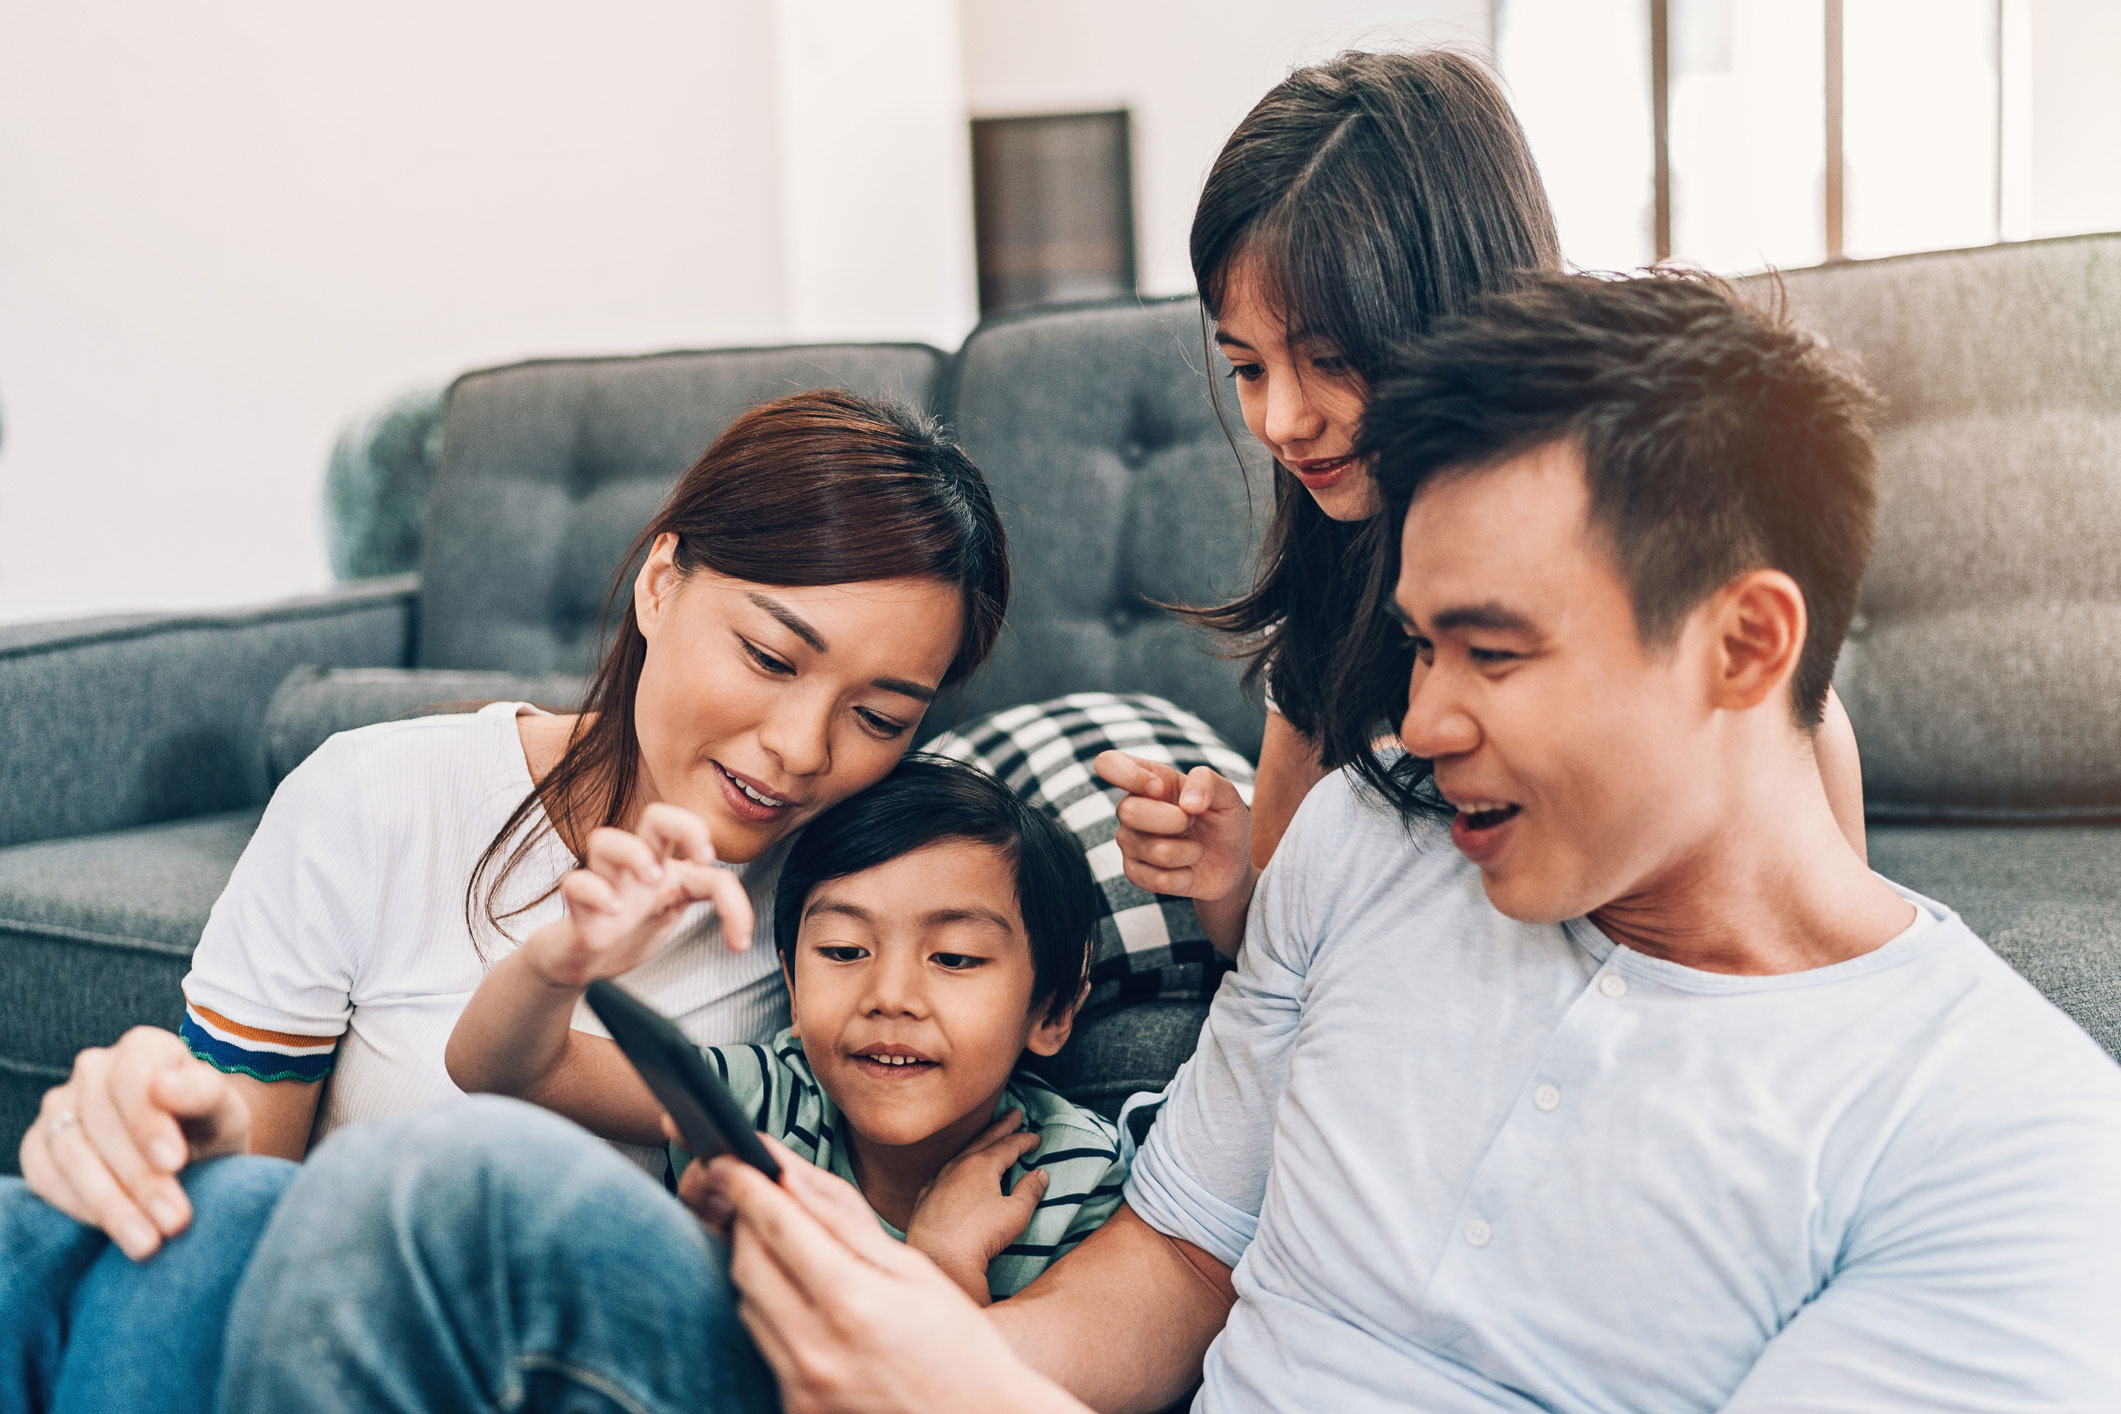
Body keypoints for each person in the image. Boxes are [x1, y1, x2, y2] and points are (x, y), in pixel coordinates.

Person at [215, 273, 2121, 1412]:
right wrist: (930, 1336)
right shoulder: (1371, 867)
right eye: (1418, 639)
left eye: (1492, 651)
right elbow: (1173, 1267)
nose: (1420, 714)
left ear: (1748, 643)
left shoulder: (2012, 1145)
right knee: (429, 1198)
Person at [0, 388, 1009, 1413]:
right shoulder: (375, 797)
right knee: (33, 1235)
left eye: (879, 717)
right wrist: (171, 1128)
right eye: (769, 657)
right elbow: (243, 1200)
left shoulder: (858, 921)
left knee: (455, 1169)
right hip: (328, 1354)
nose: (800, 748)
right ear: (661, 584)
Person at [1094, 50, 1870, 961]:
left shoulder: (1632, 526)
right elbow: (1275, 958)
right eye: (1246, 368)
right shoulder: (1333, 575)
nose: (1283, 420)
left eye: (1334, 359)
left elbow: (1822, 909)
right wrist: (1226, 882)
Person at [448, 755, 1127, 1304]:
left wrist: (943, 1266)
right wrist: (556, 962)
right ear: (793, 991)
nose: (890, 997)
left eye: (953, 958)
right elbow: (510, 1071)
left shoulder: (1077, 1180)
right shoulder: (759, 1103)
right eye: (842, 951)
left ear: (1051, 1012)